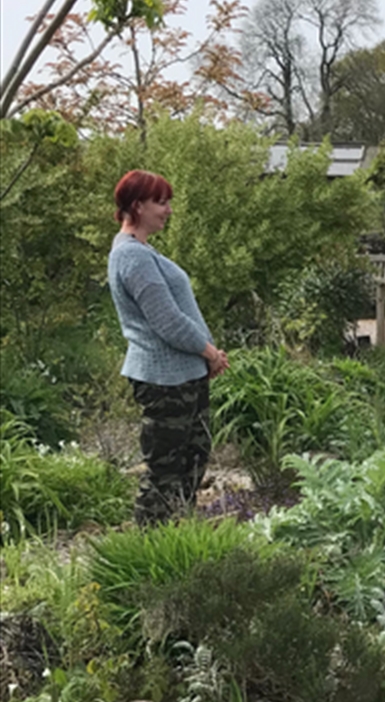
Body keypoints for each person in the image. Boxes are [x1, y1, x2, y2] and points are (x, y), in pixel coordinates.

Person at [108, 169, 229, 526]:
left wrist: (204, 356)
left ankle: (178, 544)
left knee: (190, 464)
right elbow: (168, 321)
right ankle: (149, 555)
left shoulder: (142, 251)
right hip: (164, 382)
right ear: (137, 205)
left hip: (183, 375)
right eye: (161, 202)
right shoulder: (132, 256)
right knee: (165, 474)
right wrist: (210, 353)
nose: (168, 210)